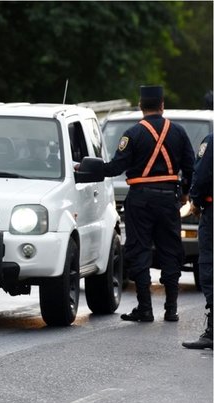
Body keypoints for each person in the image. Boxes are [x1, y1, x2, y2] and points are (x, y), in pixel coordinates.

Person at [79, 85, 195, 322]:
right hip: (167, 199)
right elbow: (191, 168)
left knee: (139, 250)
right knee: (170, 251)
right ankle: (171, 310)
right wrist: (184, 195)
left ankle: (145, 309)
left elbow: (114, 168)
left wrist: (86, 167)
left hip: (140, 199)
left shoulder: (132, 134)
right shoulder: (179, 132)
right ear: (162, 105)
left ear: (141, 106)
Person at [182, 133, 213, 349]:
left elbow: (201, 175)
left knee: (210, 263)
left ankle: (212, 330)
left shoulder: (211, 141)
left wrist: (195, 201)